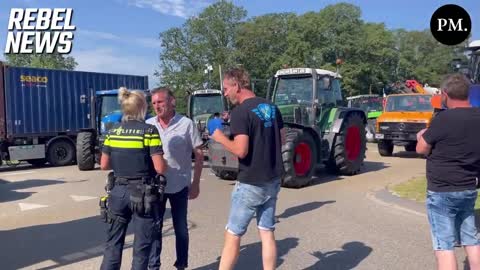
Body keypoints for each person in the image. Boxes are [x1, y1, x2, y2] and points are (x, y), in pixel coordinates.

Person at [211, 68, 285, 270]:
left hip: (251, 182)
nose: (225, 93)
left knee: (233, 233)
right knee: (267, 231)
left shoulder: (240, 113)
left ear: (237, 85)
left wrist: (220, 138)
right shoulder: (271, 106)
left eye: (226, 88)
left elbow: (241, 151)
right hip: (273, 179)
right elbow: (283, 138)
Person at [416, 73, 480, 270]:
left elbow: (421, 149)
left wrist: (421, 136)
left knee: (444, 245)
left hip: (442, 190)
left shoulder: (443, 119)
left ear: (445, 94)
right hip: (469, 187)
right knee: (471, 239)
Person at [100, 87, 167, 270]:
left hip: (117, 192)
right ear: (142, 107)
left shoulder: (113, 131)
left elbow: (104, 164)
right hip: (142, 195)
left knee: (113, 244)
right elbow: (160, 168)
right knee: (141, 248)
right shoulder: (149, 131)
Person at [146, 87, 204, 270]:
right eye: (154, 103)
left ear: (172, 102)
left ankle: (181, 264)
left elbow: (199, 153)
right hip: (156, 187)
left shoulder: (186, 124)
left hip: (180, 185)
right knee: (155, 228)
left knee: (180, 229)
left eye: (160, 102)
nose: (157, 106)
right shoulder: (149, 124)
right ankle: (154, 266)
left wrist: (195, 183)